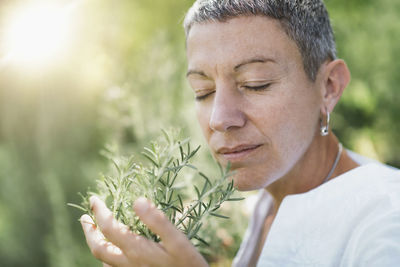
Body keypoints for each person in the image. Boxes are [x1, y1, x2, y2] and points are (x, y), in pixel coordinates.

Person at [80, 0, 400, 266]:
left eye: (254, 83)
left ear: (329, 86)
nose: (220, 118)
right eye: (203, 91)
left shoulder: (385, 221)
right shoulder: (259, 206)